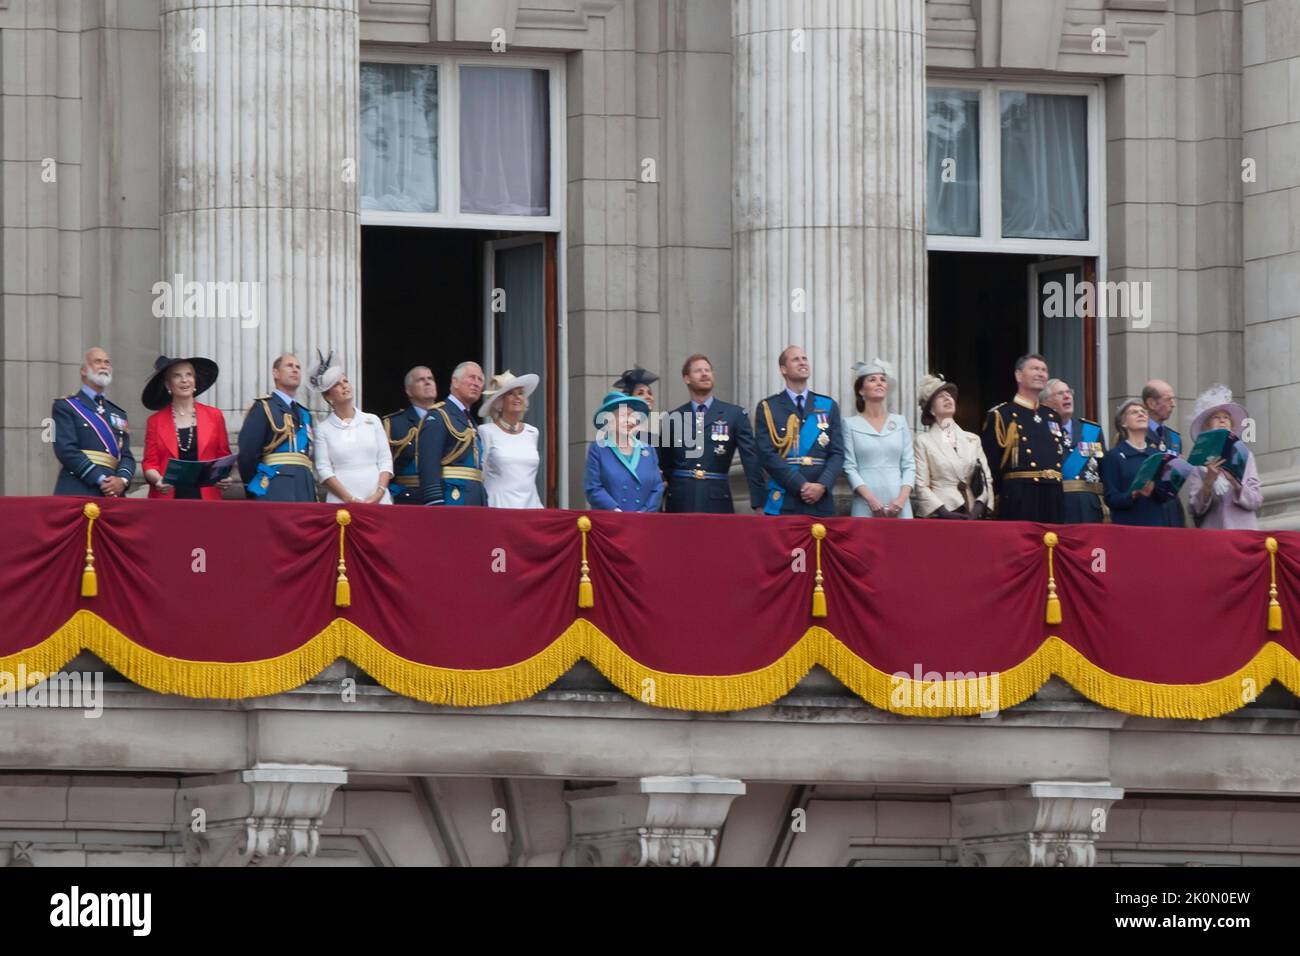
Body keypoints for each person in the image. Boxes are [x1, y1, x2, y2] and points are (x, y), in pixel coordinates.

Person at [660, 354, 765, 514]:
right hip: (681, 500)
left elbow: (751, 460)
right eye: (698, 371)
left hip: (717, 499)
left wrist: (759, 502)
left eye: (708, 370)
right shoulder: (672, 418)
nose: (704, 374)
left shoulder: (735, 414)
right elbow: (665, 464)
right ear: (687, 378)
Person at [754, 346, 845, 517]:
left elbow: (837, 453)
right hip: (785, 497)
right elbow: (766, 454)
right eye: (796, 359)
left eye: (804, 358)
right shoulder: (768, 407)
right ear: (783, 369)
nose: (802, 362)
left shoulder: (827, 405)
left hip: (820, 501)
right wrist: (801, 485)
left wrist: (822, 485)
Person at [980, 354, 1065, 522]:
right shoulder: (1002, 415)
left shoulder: (1052, 416)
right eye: (1034, 369)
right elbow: (991, 465)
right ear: (1018, 376)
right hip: (1020, 497)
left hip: (1052, 495)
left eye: (1044, 370)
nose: (1041, 374)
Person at [140, 354, 232, 501]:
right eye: (177, 376)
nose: (184, 380)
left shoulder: (215, 416)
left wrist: (224, 476)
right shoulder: (155, 421)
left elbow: (224, 456)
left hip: (207, 498)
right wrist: (158, 480)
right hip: (168, 499)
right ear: (168, 385)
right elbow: (150, 463)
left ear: (195, 381)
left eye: (189, 374)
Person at [52, 347, 137, 497]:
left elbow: (126, 455)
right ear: (83, 370)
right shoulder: (65, 406)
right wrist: (101, 479)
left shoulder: (118, 413)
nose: (104, 366)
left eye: (107, 362)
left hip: (114, 495)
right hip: (78, 488)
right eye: (98, 362)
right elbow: (66, 450)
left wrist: (122, 480)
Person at [310, 353, 393, 505]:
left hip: (379, 500)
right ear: (328, 397)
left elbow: (385, 460)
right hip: (341, 502)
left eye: (346, 381)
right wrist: (350, 499)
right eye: (337, 384)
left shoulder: (372, 420)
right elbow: (323, 469)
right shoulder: (323, 429)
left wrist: (379, 493)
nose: (344, 385)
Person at [237, 353, 317, 501]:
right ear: (275, 373)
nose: (295, 370)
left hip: (304, 488)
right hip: (275, 488)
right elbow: (248, 453)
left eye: (298, 367)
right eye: (289, 366)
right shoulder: (264, 407)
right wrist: (253, 488)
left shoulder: (305, 414)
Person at [912, 373, 992, 519]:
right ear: (931, 410)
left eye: (949, 395)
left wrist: (977, 509)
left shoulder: (973, 439)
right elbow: (921, 485)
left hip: (973, 512)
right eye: (940, 396)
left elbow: (986, 479)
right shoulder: (923, 441)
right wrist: (944, 512)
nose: (947, 398)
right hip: (942, 514)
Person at [1183, 385, 1263, 530]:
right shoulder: (1198, 463)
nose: (1222, 420)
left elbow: (1256, 500)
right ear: (1206, 427)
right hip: (1215, 534)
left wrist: (1236, 483)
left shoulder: (1245, 457)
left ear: (1232, 427)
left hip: (1243, 532)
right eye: (1217, 417)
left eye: (1226, 418)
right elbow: (1195, 509)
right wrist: (1208, 483)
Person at [843, 359, 914, 518]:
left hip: (899, 502)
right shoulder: (849, 424)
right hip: (865, 502)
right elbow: (849, 467)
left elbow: (909, 464)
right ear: (861, 390)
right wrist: (870, 499)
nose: (879, 383)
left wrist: (902, 499)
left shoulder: (900, 421)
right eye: (872, 379)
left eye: (883, 379)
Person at [418, 361, 486, 506]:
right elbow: (428, 465)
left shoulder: (469, 420)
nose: (476, 383)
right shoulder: (439, 415)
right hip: (451, 499)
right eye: (471, 377)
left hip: (473, 499)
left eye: (480, 380)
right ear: (455, 382)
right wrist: (434, 501)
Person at [1101, 400, 1176, 527]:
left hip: (1156, 523)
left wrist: (1157, 487)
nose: (1141, 414)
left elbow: (1167, 496)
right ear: (1123, 423)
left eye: (1143, 412)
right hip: (1128, 525)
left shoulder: (1157, 455)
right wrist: (1133, 494)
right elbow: (1111, 498)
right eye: (1134, 412)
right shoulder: (1114, 456)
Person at [584, 391, 663, 512]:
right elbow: (593, 488)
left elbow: (657, 487)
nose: (630, 421)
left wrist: (643, 512)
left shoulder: (648, 450)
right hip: (610, 521)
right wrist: (616, 511)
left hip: (643, 522)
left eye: (633, 416)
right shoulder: (598, 449)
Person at [1041, 378, 1106, 523]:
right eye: (1060, 393)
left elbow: (1104, 471)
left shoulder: (1092, 430)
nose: (1067, 396)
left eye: (1069, 392)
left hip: (1089, 507)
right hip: (1056, 505)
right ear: (1045, 403)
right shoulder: (1041, 431)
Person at [479, 370, 544, 509]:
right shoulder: (486, 431)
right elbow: (481, 474)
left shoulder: (532, 433)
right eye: (510, 393)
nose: (517, 397)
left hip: (531, 508)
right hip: (498, 507)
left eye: (520, 393)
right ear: (499, 402)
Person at [383, 366, 439, 505]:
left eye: (430, 378)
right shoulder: (394, 423)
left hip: (441, 495)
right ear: (409, 391)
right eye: (421, 380)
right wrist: (395, 492)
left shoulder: (448, 420)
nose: (427, 382)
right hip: (407, 498)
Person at [1142, 378, 1185, 527]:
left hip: (1171, 509)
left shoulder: (1174, 438)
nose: (1173, 404)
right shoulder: (1136, 433)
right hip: (1148, 508)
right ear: (1151, 403)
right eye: (1168, 399)